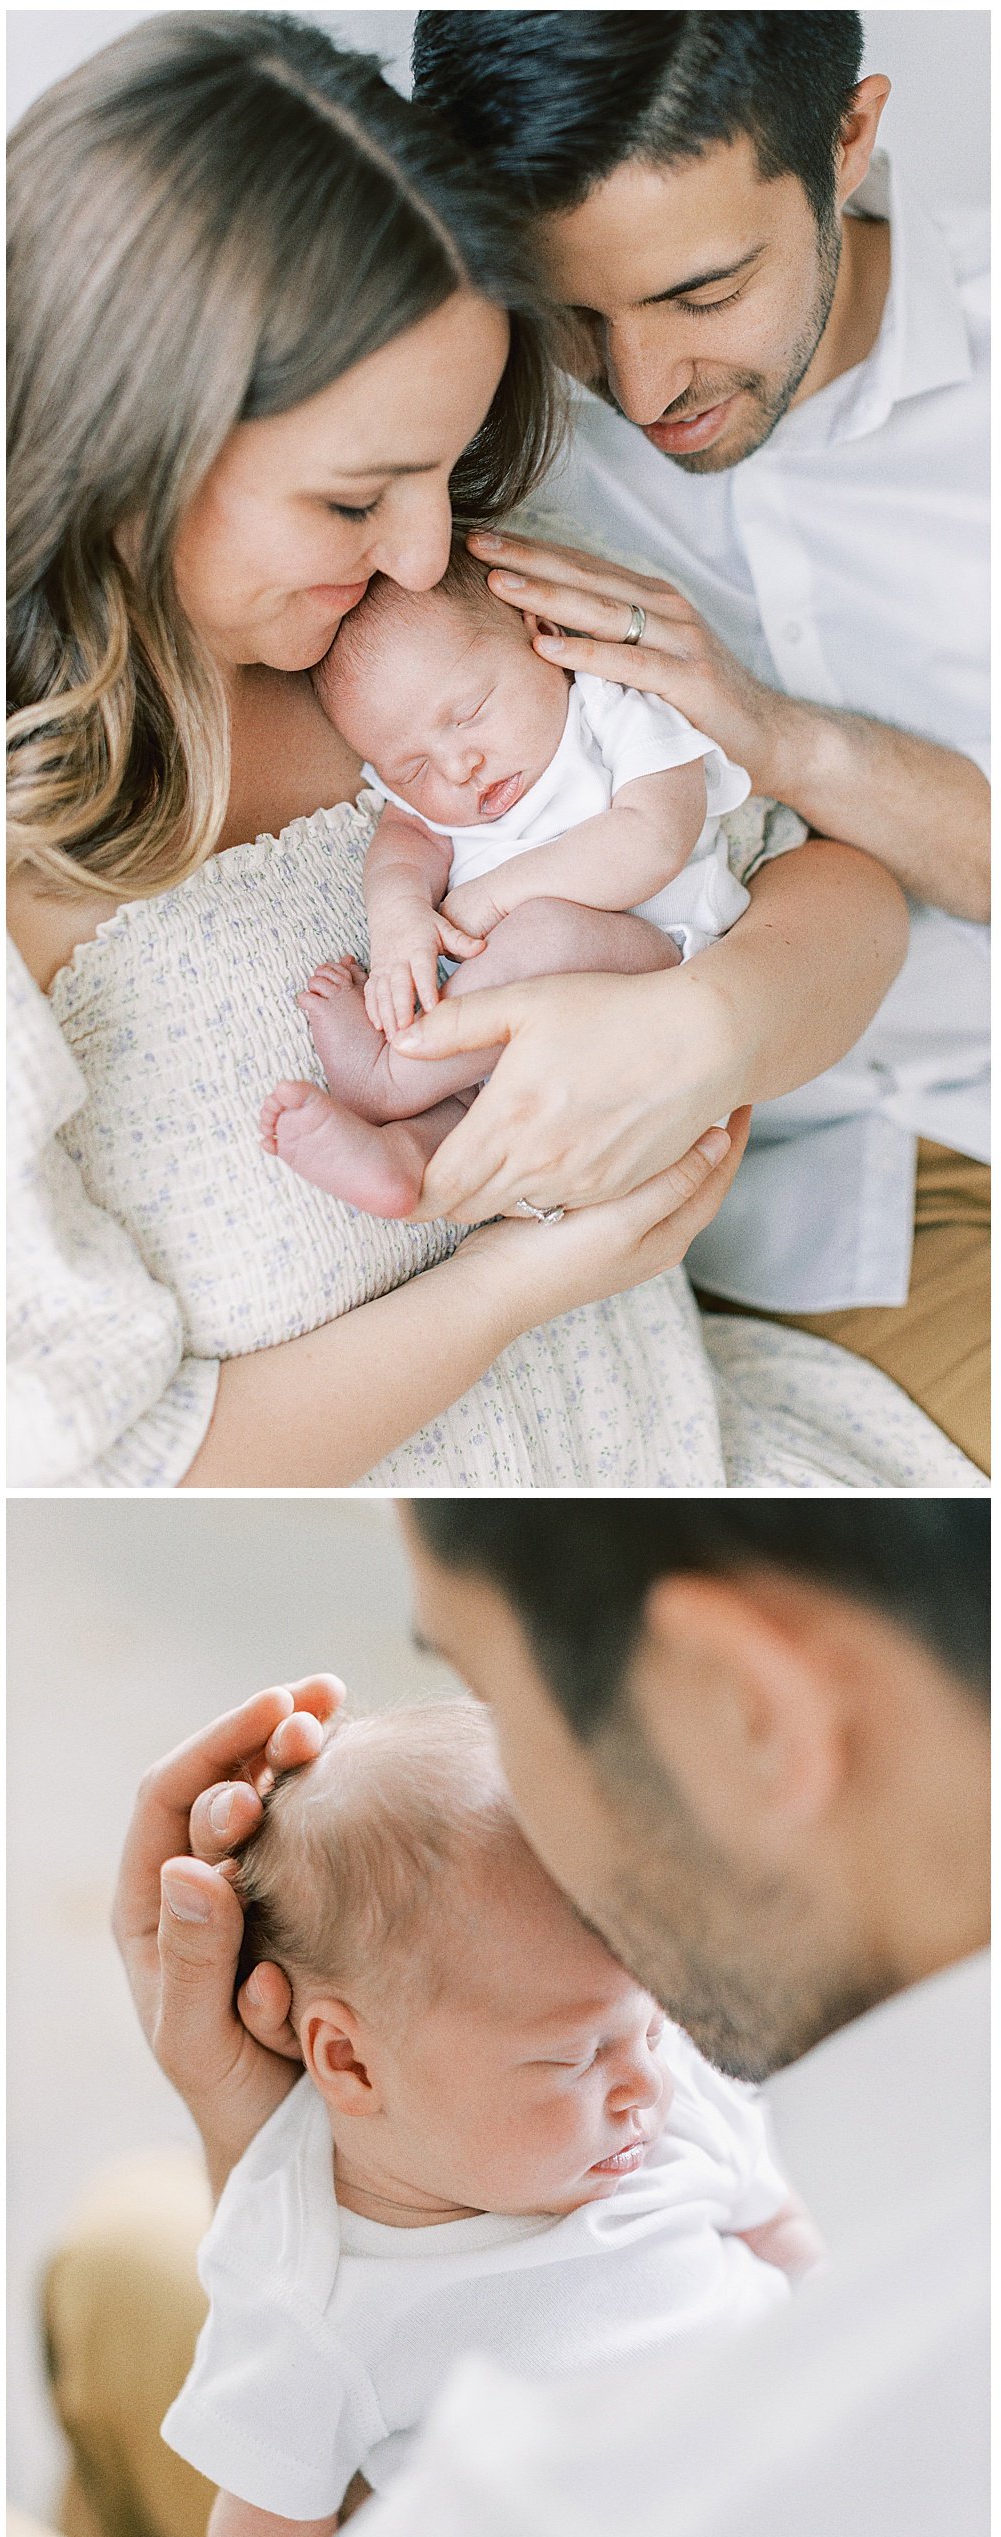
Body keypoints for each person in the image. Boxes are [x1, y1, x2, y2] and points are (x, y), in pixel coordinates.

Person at [16, 1497, 986, 2537]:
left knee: (39, 2513)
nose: (637, 2078)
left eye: (493, 1687)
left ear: (745, 1707)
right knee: (128, 2250)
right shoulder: (752, 2128)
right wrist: (274, 2152)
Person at [4, 14, 962, 1494]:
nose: (429, 546)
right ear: (130, 451)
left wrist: (704, 1025)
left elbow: (820, 881)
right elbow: (95, 1461)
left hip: (716, 1431)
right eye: (355, 497)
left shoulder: (449, 609)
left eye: (446, 473)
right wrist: (523, 1279)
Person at [410, 11, 990, 1469]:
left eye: (705, 290)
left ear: (848, 141)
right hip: (751, 1211)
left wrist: (771, 730)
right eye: (576, 313)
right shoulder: (471, 423)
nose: (644, 381)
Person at [163, 1699, 809, 2537]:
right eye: (572, 2059)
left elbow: (802, 2254)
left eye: (654, 2019)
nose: (644, 2080)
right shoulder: (310, 2283)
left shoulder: (667, 2116)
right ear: (345, 2064)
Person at [266, 544, 750, 1217]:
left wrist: (494, 896)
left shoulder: (613, 710)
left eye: (466, 716)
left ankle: (390, 1079)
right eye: (411, 769)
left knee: (545, 931)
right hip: (534, 1059)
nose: (458, 766)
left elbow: (652, 840)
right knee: (479, 1096)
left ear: (543, 639)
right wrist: (398, 916)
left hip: (659, 978)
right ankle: (408, 1157)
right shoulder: (433, 804)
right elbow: (403, 844)